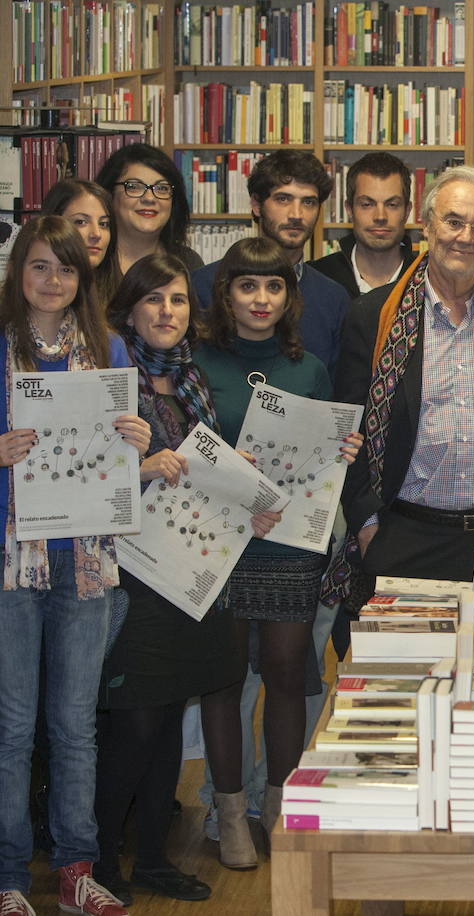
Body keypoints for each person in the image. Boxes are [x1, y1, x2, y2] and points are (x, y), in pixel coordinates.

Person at [93, 253, 279, 904]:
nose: (166, 312)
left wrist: (241, 491)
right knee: (135, 725)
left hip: (197, 574)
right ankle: (96, 864)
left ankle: (151, 858)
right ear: (129, 311)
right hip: (132, 577)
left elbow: (205, 476)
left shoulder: (194, 380)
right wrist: (146, 464)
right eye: (153, 301)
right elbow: (84, 478)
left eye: (176, 301)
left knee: (171, 719)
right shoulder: (111, 380)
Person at [0, 216, 153, 916]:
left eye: (65, 269)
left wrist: (136, 437)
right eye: (39, 267)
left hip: (87, 563)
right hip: (13, 564)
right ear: (17, 273)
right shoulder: (0, 349)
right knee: (12, 727)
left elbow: (121, 459)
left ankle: (76, 870)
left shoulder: (109, 346)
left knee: (74, 727)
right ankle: (6, 877)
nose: (53, 281)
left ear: (81, 278)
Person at [193, 237, 359, 866]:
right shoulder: (198, 362)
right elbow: (186, 453)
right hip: (220, 541)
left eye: (274, 287)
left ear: (289, 295)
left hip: (288, 543)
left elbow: (316, 465)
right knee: (224, 679)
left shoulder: (307, 367)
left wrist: (337, 453)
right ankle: (230, 813)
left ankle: (281, 806)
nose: (261, 299)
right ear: (226, 292)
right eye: (247, 286)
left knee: (289, 675)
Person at [333, 165, 474, 592]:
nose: (465, 237)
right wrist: (367, 524)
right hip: (410, 542)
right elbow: (348, 430)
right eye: (453, 221)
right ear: (426, 224)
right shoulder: (373, 318)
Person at [192, 150, 350, 375]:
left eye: (308, 202)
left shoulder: (333, 299)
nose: (296, 214)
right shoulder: (202, 286)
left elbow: (336, 395)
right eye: (283, 199)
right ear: (256, 205)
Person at [309, 151, 418, 300]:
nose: (380, 217)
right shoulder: (317, 279)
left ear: (407, 211)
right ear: (349, 210)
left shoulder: (428, 281)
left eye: (392, 204)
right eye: (367, 204)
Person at [94, 143, 203, 276]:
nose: (149, 198)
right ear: (109, 194)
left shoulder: (189, 263)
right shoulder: (92, 260)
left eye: (162, 188)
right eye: (134, 187)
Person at [41, 180, 121, 308]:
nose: (96, 234)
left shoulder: (122, 300)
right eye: (81, 222)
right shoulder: (37, 294)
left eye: (103, 224)